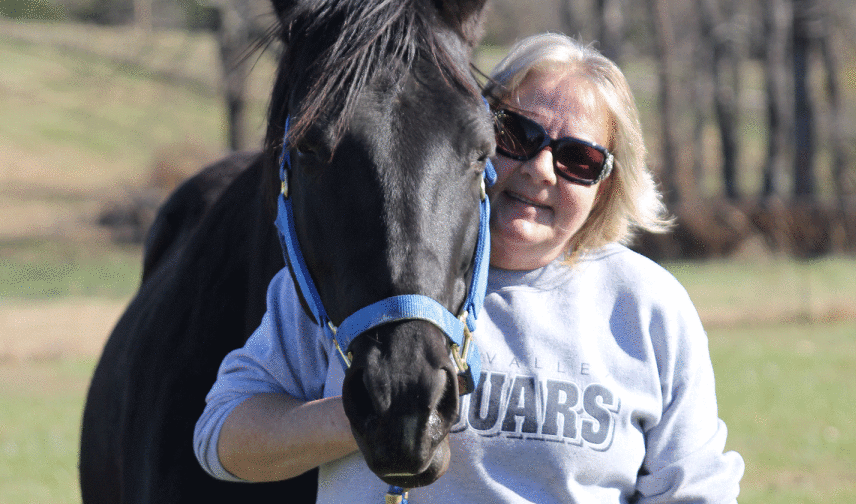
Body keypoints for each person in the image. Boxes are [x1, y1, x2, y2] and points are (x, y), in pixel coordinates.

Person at [194, 33, 744, 502]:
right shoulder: (362, 270)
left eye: (579, 159)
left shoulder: (647, 305)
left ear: (606, 188)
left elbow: (692, 490)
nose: (541, 170)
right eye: (517, 135)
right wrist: (363, 415)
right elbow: (221, 439)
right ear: (467, 137)